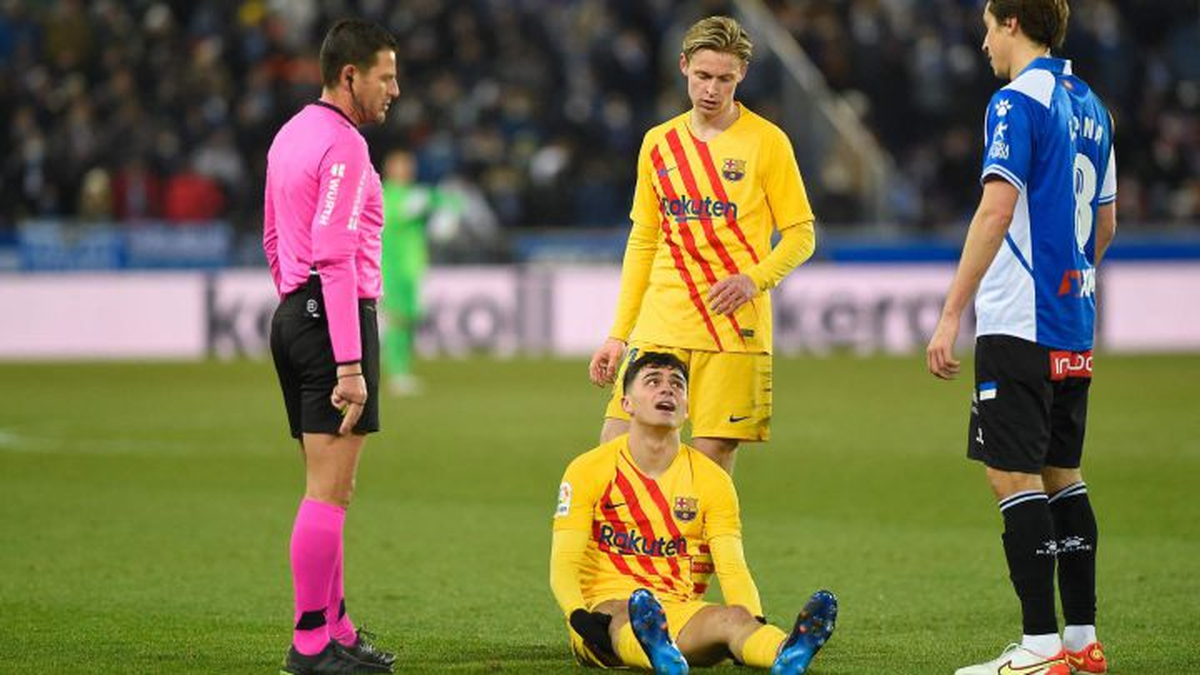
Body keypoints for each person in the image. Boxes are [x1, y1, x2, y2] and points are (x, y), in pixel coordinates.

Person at [926, 2, 1116, 674]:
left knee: (1013, 475)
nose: (981, 41)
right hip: (1073, 320)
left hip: (1019, 320)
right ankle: (1081, 640)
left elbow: (996, 206)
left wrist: (952, 311)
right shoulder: (1092, 104)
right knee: (1064, 472)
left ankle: (1039, 644)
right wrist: (1072, 280)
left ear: (1011, 22)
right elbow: (1106, 223)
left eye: (985, 25)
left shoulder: (1015, 101)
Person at [587, 16, 817, 475]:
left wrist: (755, 279)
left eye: (724, 79)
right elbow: (644, 240)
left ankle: (703, 551)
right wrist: (619, 333)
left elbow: (801, 234)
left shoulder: (768, 143)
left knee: (706, 472)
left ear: (742, 75)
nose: (712, 89)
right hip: (663, 320)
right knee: (616, 455)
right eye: (703, 76)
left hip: (733, 330)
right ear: (683, 67)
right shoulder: (658, 144)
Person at [551, 351, 838, 674]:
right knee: (623, 616)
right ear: (627, 404)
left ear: (687, 408)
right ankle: (657, 650)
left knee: (733, 619)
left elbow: (732, 566)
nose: (667, 389)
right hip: (603, 611)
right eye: (653, 382)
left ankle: (784, 652)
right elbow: (564, 563)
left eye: (677, 384)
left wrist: (753, 618)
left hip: (678, 609)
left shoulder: (711, 479)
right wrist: (578, 616)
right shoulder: (588, 469)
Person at [263, 18, 400, 675]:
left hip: (296, 312)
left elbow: (272, 237)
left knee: (332, 489)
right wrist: (348, 360)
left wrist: (298, 307)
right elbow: (334, 251)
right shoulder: (345, 146)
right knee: (327, 490)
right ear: (351, 76)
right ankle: (311, 644)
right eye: (386, 76)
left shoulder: (290, 135)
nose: (394, 90)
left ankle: (336, 626)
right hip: (332, 319)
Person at [379, 149, 460, 395]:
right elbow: (424, 203)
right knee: (398, 319)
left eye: (408, 165)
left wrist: (447, 213)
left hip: (410, 268)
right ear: (389, 169)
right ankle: (397, 374)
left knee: (406, 319)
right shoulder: (387, 195)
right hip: (391, 267)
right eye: (401, 165)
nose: (406, 170)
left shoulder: (411, 195)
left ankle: (398, 370)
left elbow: (453, 201)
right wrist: (442, 208)